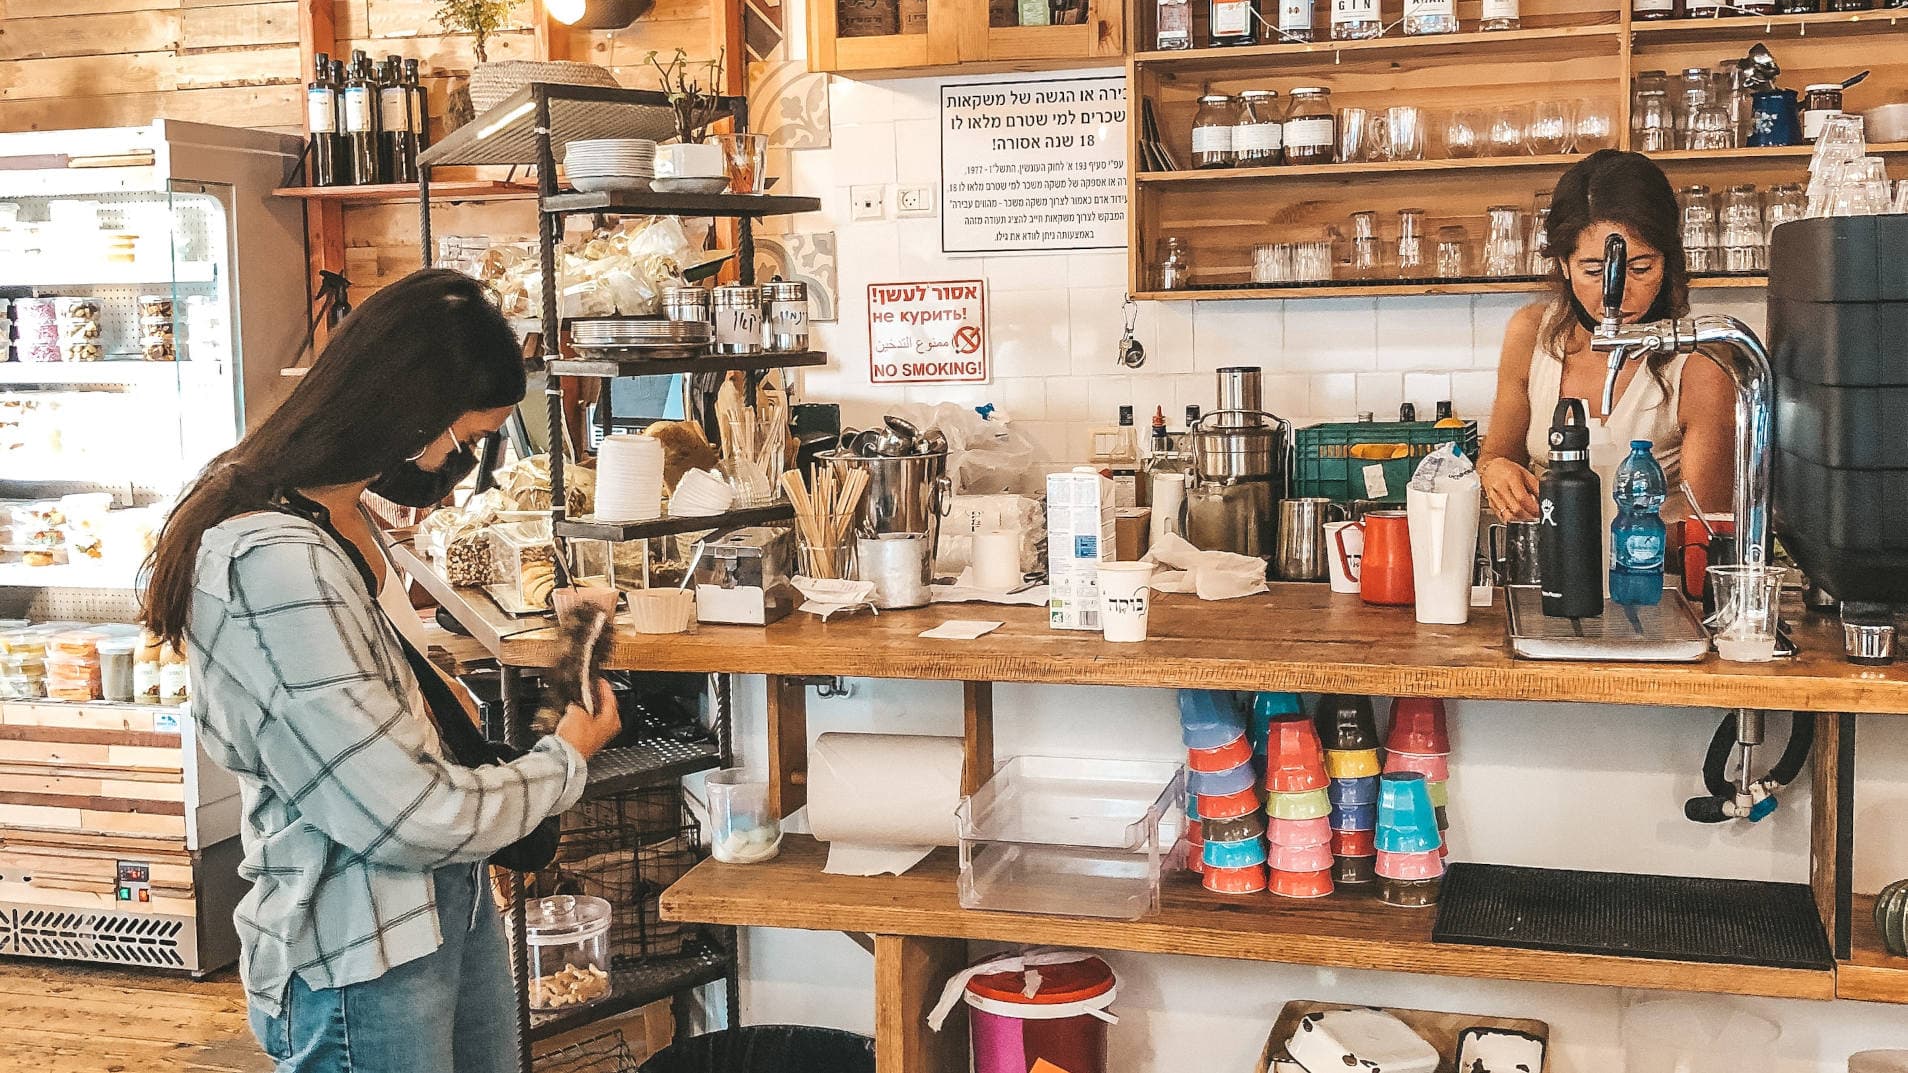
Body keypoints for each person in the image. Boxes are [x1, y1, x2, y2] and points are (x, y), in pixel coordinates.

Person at [140, 269, 622, 1073]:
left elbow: (394, 727)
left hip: (442, 908)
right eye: (461, 440)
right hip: (359, 950)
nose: (454, 464)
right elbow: (406, 814)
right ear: (405, 412)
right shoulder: (271, 563)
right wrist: (564, 756)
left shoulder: (341, 513)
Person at [1478, 150, 1735, 523]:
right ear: (1564, 264)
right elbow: (1494, 456)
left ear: (1668, 261)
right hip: (1550, 566)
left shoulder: (1698, 362)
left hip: (1655, 573)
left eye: (1641, 268)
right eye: (1593, 270)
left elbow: (1706, 528)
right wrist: (1496, 473)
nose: (1616, 293)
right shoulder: (1530, 333)